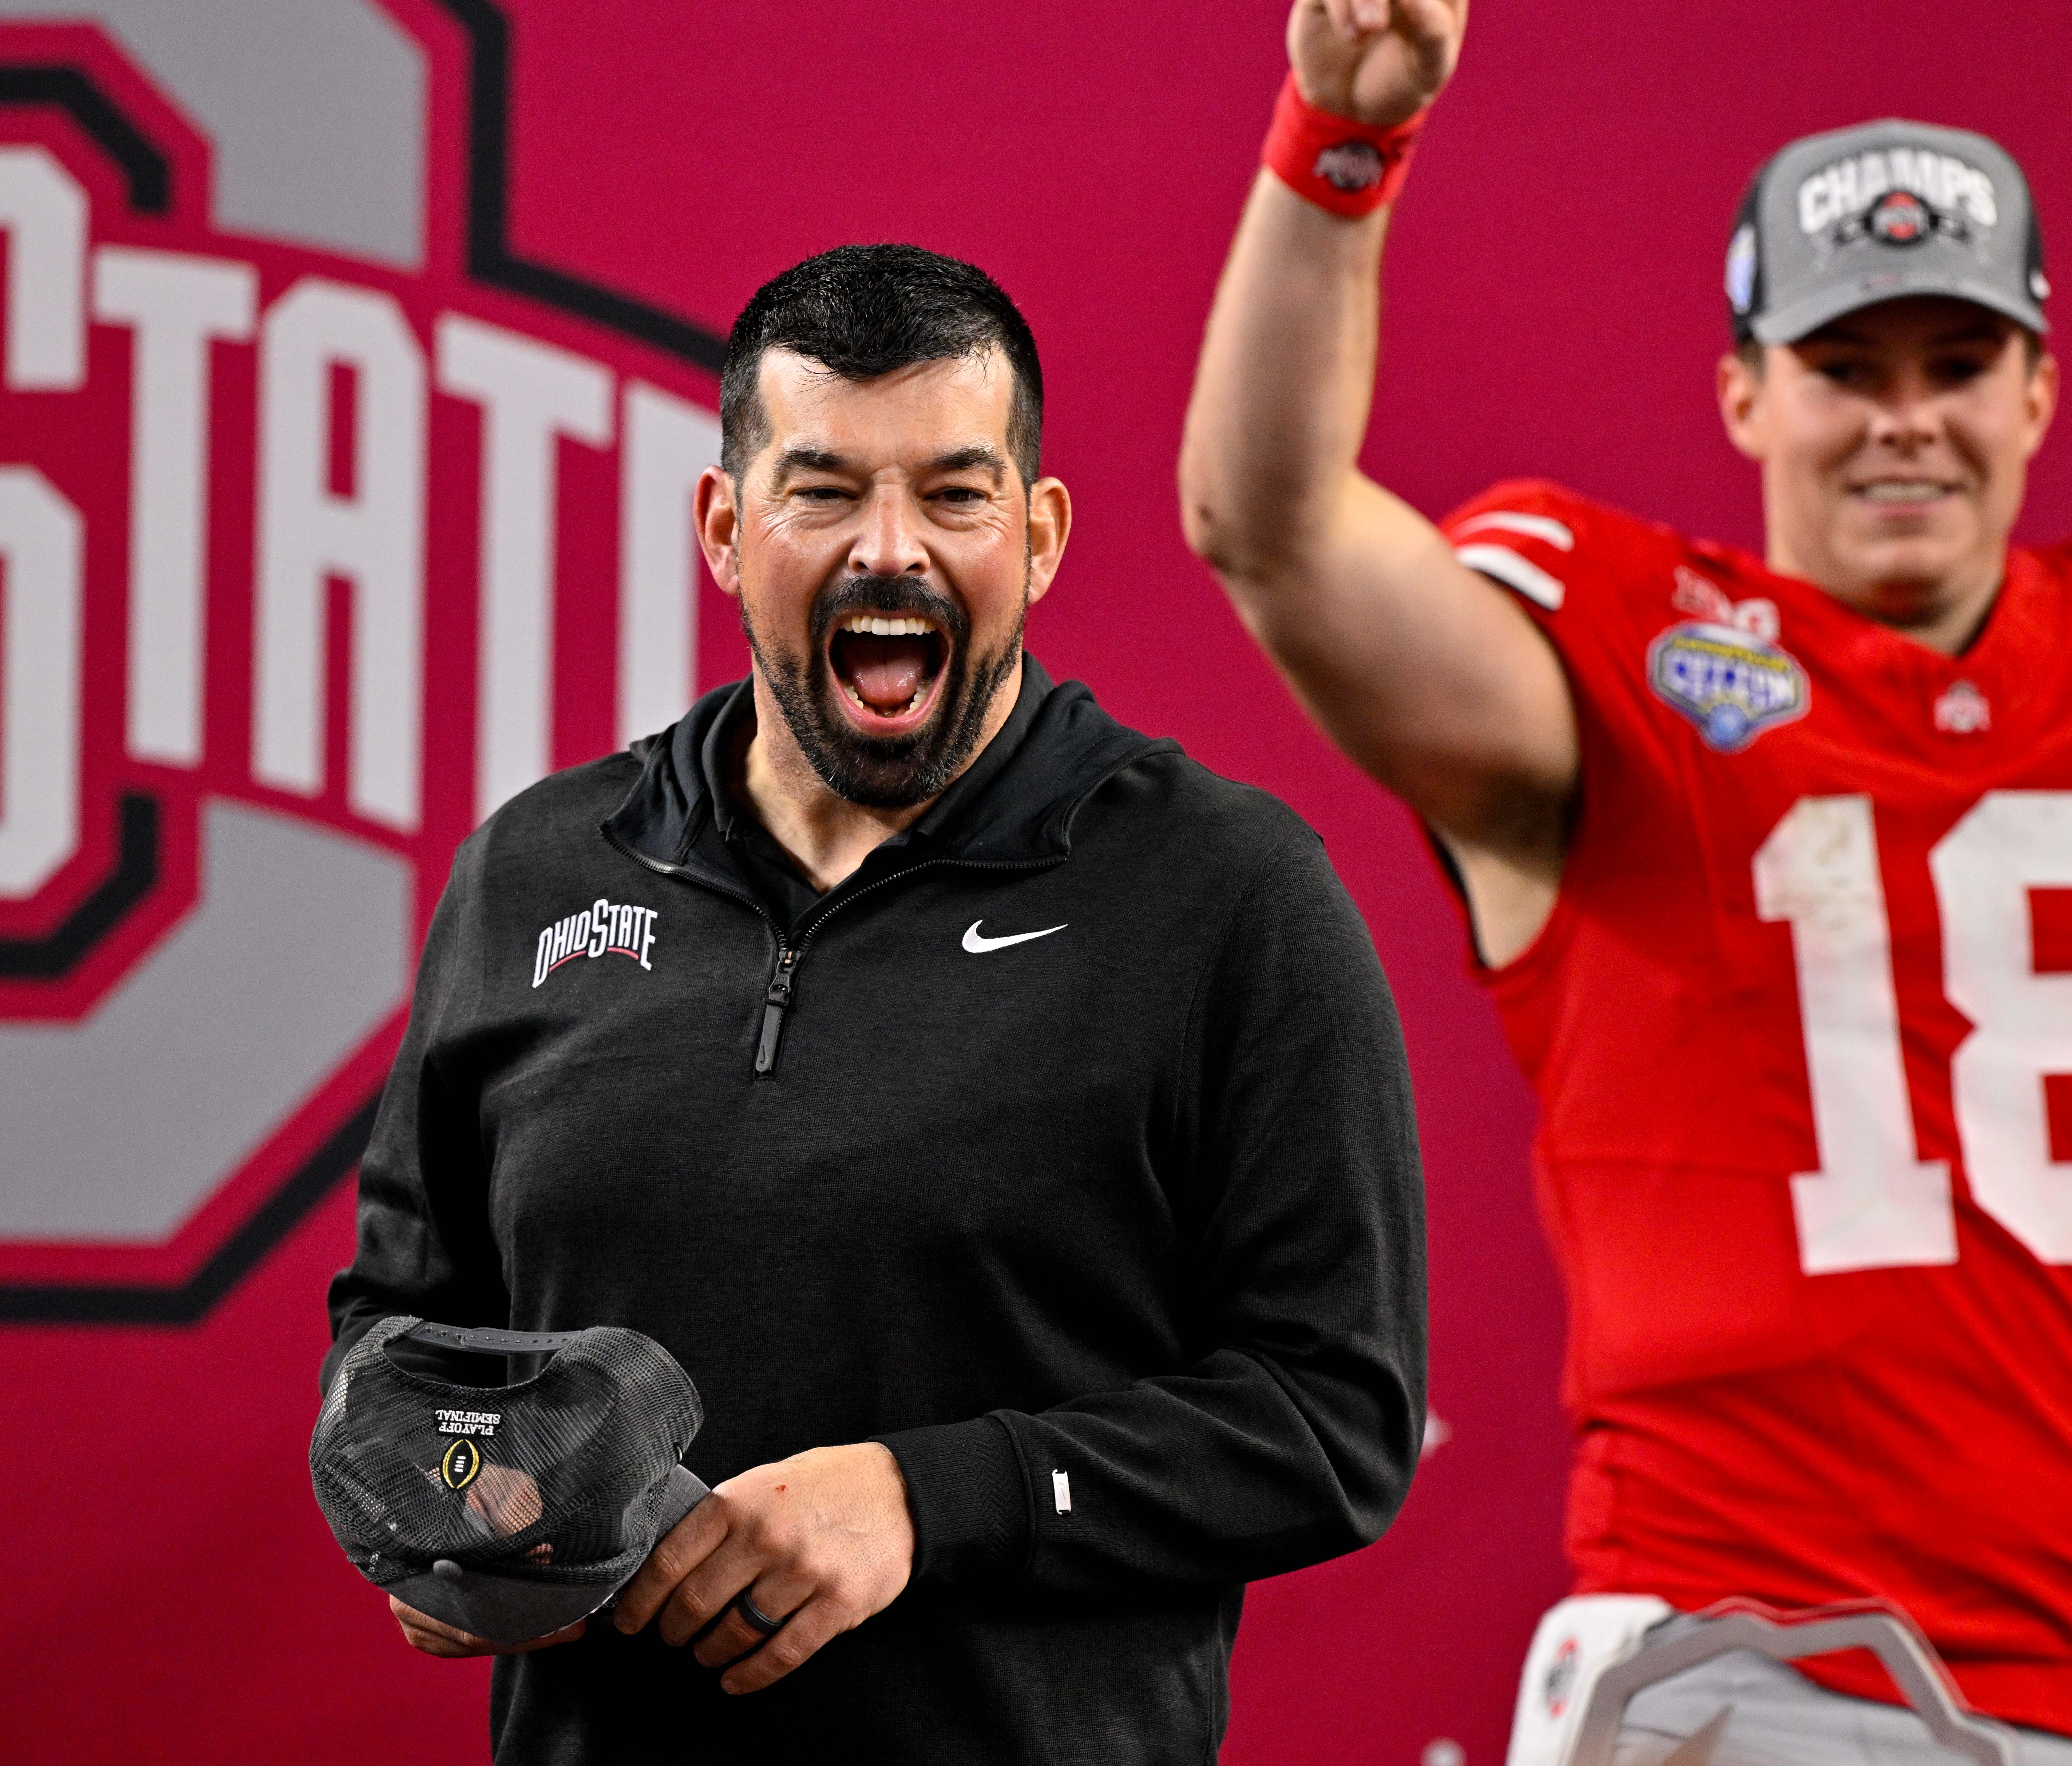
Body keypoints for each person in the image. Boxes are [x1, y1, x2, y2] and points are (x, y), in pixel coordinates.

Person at [1176, 0, 2072, 1764]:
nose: (1906, 416)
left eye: (1960, 357)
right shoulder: (1618, 646)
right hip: (1745, 1666)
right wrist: (1340, 144)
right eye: (1847, 363)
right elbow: (1273, 531)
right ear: (1746, 397)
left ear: (2036, 390)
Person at [326, 243, 1427, 1764]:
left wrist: (931, 1497)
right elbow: (398, 1332)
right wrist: (456, 1510)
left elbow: (1334, 1417)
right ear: (725, 528)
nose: (889, 549)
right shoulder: (533, 872)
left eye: (955, 494)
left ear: (1038, 536)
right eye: (824, 490)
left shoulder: (1228, 895)